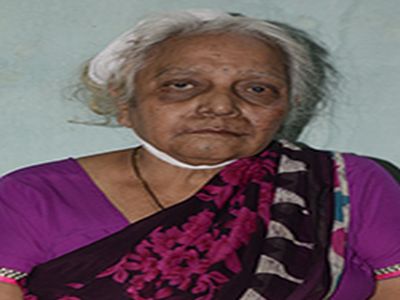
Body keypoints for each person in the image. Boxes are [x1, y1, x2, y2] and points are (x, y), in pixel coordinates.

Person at [0, 9, 399, 300]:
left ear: (288, 107)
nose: (222, 106)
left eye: (257, 89)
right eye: (183, 85)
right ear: (124, 102)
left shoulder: (345, 184)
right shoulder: (33, 198)